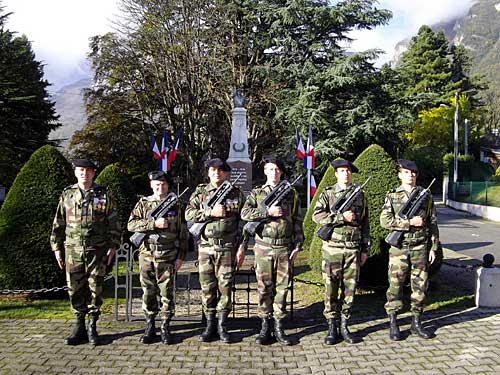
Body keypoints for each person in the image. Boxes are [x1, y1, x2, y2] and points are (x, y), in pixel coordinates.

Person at [50, 159, 120, 346]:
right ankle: (79, 326)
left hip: (97, 251)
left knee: (95, 289)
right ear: (75, 172)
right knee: (74, 289)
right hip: (72, 250)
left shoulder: (104, 194)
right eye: (81, 170)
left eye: (88, 171)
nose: (85, 174)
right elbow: (58, 222)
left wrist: (113, 245)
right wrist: (56, 248)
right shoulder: (67, 194)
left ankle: (92, 327)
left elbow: (113, 221)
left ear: (93, 173)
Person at [241, 156, 303, 346]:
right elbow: (244, 214)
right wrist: (266, 212)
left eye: (276, 169)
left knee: (282, 289)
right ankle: (265, 326)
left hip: (284, 247)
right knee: (264, 287)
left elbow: (297, 220)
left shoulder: (291, 193)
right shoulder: (257, 193)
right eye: (270, 169)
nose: (273, 172)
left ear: (281, 172)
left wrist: (298, 244)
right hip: (264, 247)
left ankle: (279, 326)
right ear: (265, 171)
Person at [185, 158, 245, 343]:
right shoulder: (200, 192)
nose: (216, 173)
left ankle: (222, 325)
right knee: (207, 287)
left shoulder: (236, 193)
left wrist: (242, 247)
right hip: (205, 247)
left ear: (226, 173)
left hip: (227, 247)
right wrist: (210, 212)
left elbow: (243, 222)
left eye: (220, 170)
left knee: (225, 288)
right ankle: (209, 324)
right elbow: (188, 214)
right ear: (208, 172)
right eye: (213, 170)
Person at [380, 159, 439, 341]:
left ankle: (416, 322)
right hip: (399, 248)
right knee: (395, 286)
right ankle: (393, 323)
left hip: (420, 247)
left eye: (413, 172)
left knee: (420, 286)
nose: (410, 175)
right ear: (400, 175)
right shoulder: (392, 196)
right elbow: (384, 221)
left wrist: (433, 247)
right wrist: (408, 223)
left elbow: (433, 222)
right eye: (406, 172)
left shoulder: (426, 196)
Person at [312, 159, 370, 345]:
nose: (346, 174)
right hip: (332, 249)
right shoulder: (328, 193)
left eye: (348, 171)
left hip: (353, 249)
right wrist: (340, 217)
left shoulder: (359, 194)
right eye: (342, 171)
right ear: (336, 174)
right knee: (331, 289)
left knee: (350, 290)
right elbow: (317, 215)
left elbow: (365, 224)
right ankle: (331, 327)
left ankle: (345, 325)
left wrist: (364, 249)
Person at [127, 171, 188, 344]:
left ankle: (165, 327)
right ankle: (150, 325)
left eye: (163, 184)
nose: (160, 187)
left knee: (167, 294)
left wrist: (180, 257)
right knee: (148, 292)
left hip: (168, 256)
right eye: (156, 184)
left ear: (168, 186)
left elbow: (183, 233)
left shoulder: (176, 205)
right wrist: (153, 224)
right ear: (151, 185)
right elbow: (131, 224)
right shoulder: (143, 204)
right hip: (147, 256)